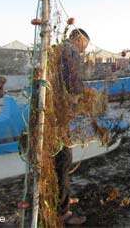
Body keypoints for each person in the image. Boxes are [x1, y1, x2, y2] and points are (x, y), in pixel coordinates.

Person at [56, 27, 90, 225]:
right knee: (63, 158)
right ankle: (62, 211)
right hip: (59, 113)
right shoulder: (72, 50)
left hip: (50, 109)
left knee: (59, 158)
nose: (85, 49)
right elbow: (75, 82)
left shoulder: (57, 49)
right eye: (86, 44)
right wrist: (78, 100)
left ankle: (63, 198)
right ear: (80, 39)